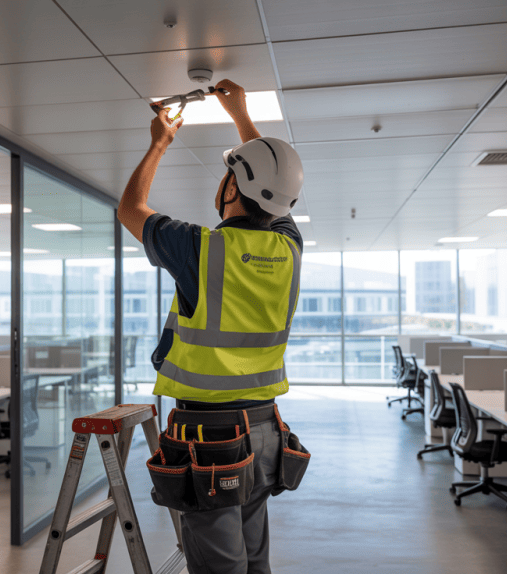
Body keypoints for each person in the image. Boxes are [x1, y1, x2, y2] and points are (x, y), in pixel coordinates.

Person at [118, 79, 306, 574]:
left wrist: (158, 143)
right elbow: (274, 187)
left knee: (219, 566)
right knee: (254, 557)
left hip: (209, 433)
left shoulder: (201, 248)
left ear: (231, 186)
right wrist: (241, 114)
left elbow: (130, 210)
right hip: (265, 428)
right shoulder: (288, 248)